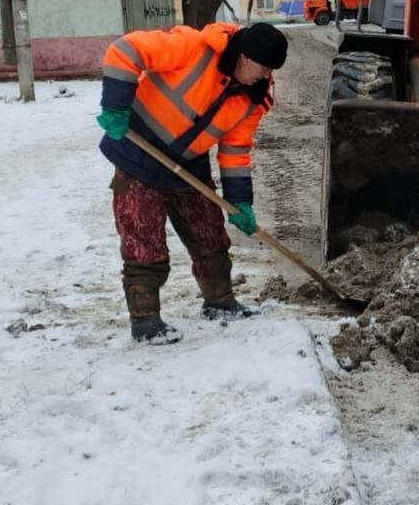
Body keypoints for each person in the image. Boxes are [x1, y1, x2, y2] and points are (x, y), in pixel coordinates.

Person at [96, 21, 288, 345]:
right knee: (144, 240)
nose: (266, 74)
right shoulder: (193, 47)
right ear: (243, 56)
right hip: (137, 156)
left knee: (209, 234)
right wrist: (116, 105)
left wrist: (240, 202)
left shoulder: (254, 97)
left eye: (271, 68)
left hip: (187, 165)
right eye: (263, 66)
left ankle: (220, 302)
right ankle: (146, 321)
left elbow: (235, 150)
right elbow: (126, 51)